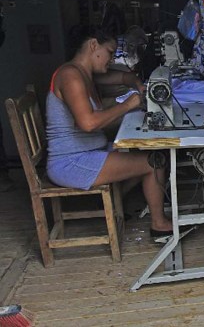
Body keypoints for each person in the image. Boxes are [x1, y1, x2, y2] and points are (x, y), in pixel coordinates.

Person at [46, 26, 172, 239]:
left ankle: (114, 203)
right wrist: (127, 105)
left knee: (138, 150)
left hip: (87, 151)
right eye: (110, 52)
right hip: (71, 161)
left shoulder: (85, 74)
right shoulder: (70, 76)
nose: (111, 59)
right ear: (93, 45)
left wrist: (137, 84)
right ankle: (159, 224)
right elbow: (88, 124)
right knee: (154, 161)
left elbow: (124, 78)